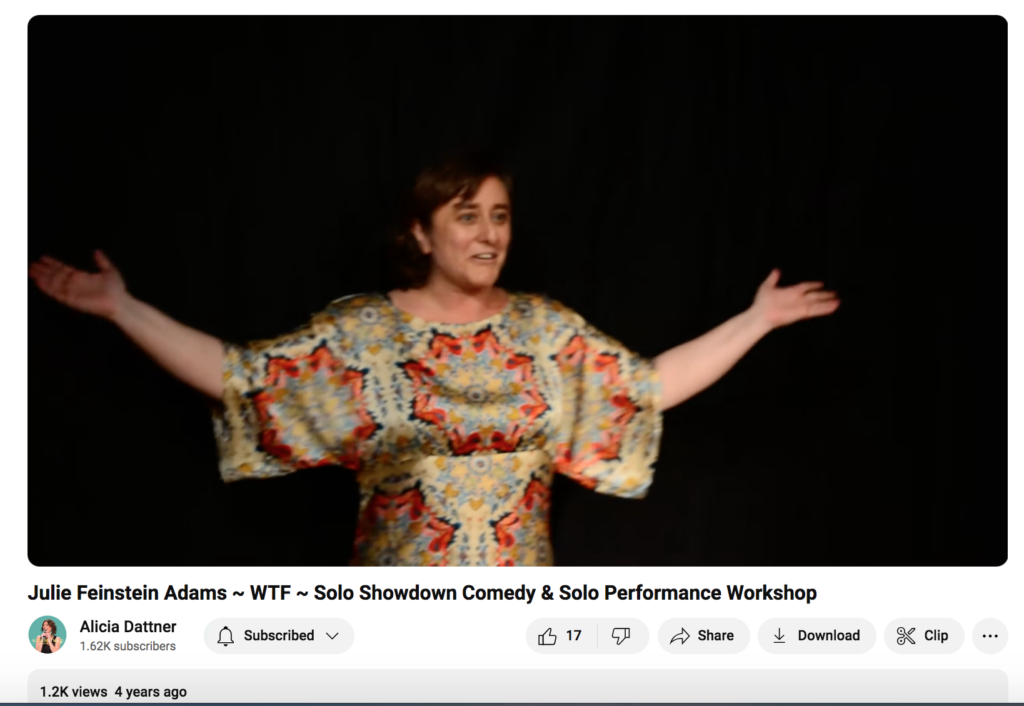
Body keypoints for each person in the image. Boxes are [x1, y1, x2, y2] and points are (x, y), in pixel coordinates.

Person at [28, 151, 839, 566]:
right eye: (467, 216)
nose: (489, 234)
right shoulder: (364, 334)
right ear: (421, 233)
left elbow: (646, 387)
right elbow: (246, 379)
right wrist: (122, 308)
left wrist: (755, 321)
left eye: (501, 215)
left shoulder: (548, 331)